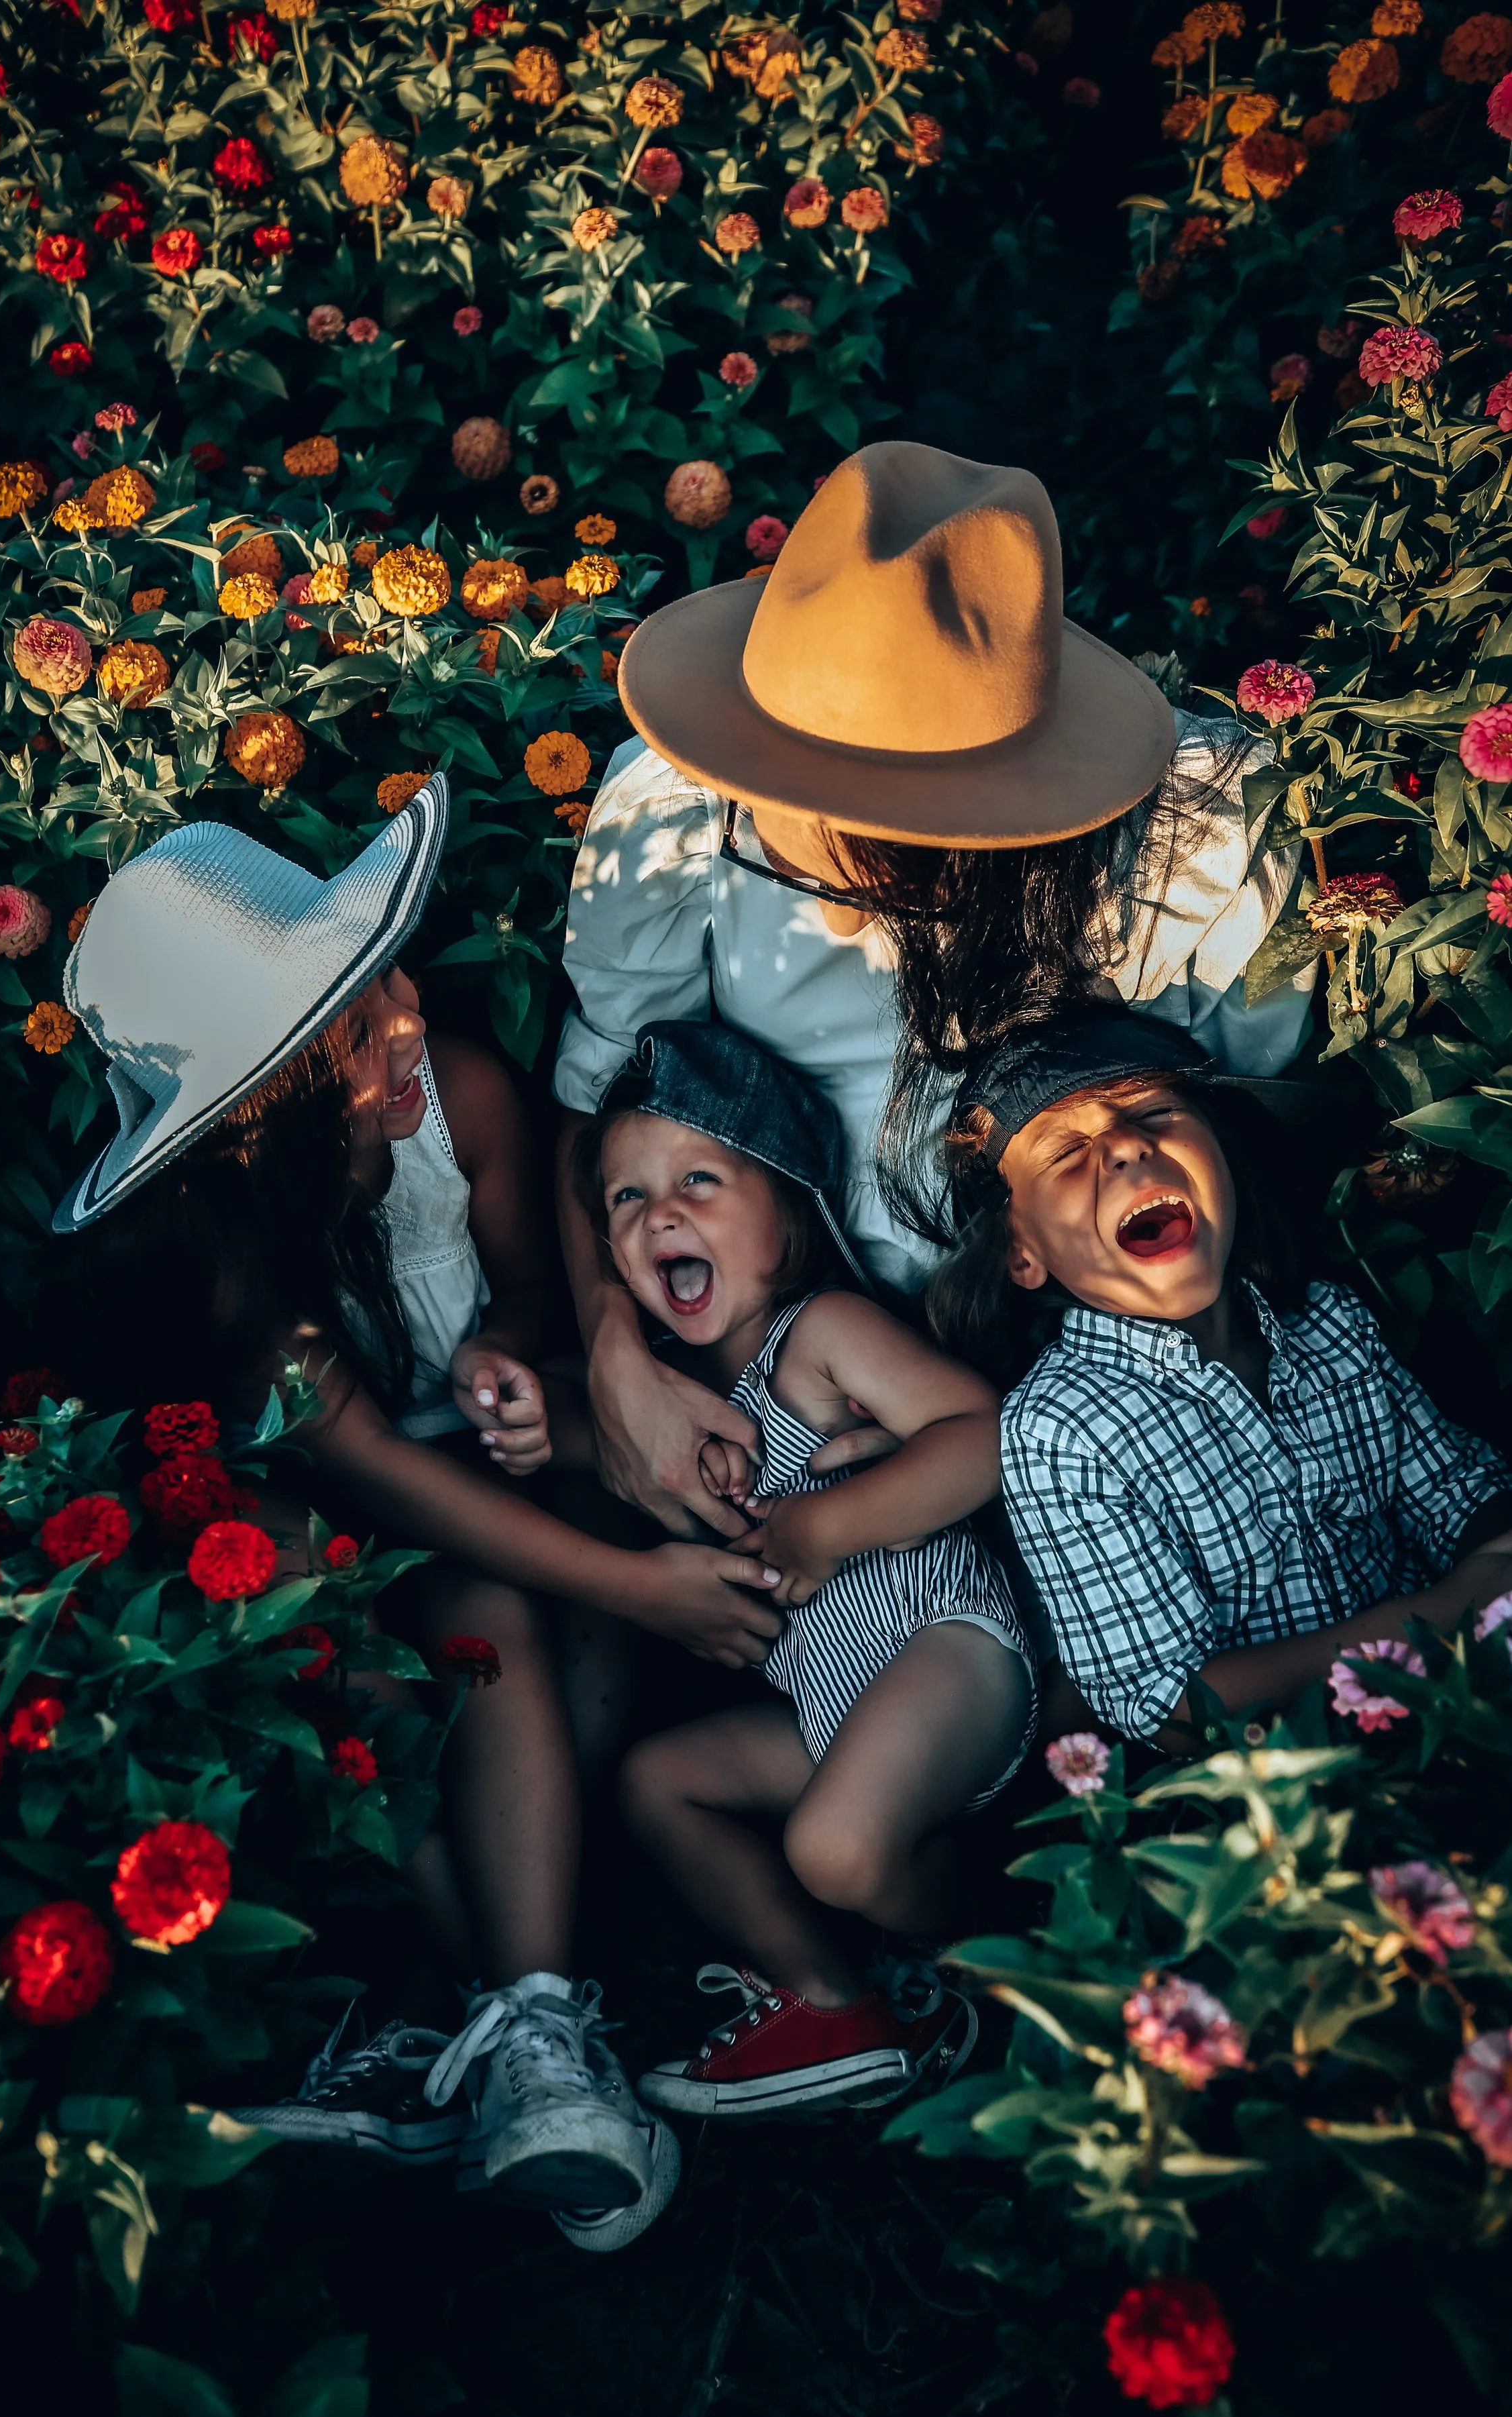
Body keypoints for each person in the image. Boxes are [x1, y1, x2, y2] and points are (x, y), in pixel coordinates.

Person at [52, 781, 785, 2253]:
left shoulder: (459, 1090)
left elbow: (528, 1276)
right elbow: (369, 1468)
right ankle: (538, 2039)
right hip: (356, 1545)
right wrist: (648, 1596)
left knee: (523, 1642)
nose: (399, 1018)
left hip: (520, 1491)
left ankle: (485, 2037)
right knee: (464, 1636)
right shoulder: (227, 1247)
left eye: (380, 971)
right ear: (254, 1113)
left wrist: (504, 1345)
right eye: (346, 1026)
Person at [553, 442, 1319, 1545]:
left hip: (1115, 1391)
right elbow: (594, 1097)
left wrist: (1013, 1431)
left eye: (814, 824)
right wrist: (611, 1353)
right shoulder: (680, 817)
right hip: (809, 1369)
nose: (766, 821)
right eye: (765, 782)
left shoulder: (1189, 846)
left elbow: (1277, 1133)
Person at [574, 1022, 1033, 2115]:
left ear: (788, 1215)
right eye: (625, 1200)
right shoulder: (665, 1414)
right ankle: (833, 1996)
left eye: (699, 1179)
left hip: (949, 1652)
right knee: (659, 1783)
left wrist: (828, 1528)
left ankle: (999, 1951)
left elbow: (990, 1436)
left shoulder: (817, 1337)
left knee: (834, 1847)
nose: (660, 1214)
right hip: (831, 1707)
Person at [927, 1009, 1512, 1755]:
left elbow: (1454, 1491)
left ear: (1226, 1162)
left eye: (1155, 1111)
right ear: (1022, 1254)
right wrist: (1437, 1619)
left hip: (1468, 1708)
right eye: (1068, 1151)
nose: (1127, 1147)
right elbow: (1169, 1705)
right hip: (1290, 1798)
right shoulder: (1060, 1431)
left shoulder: (1329, 1324)